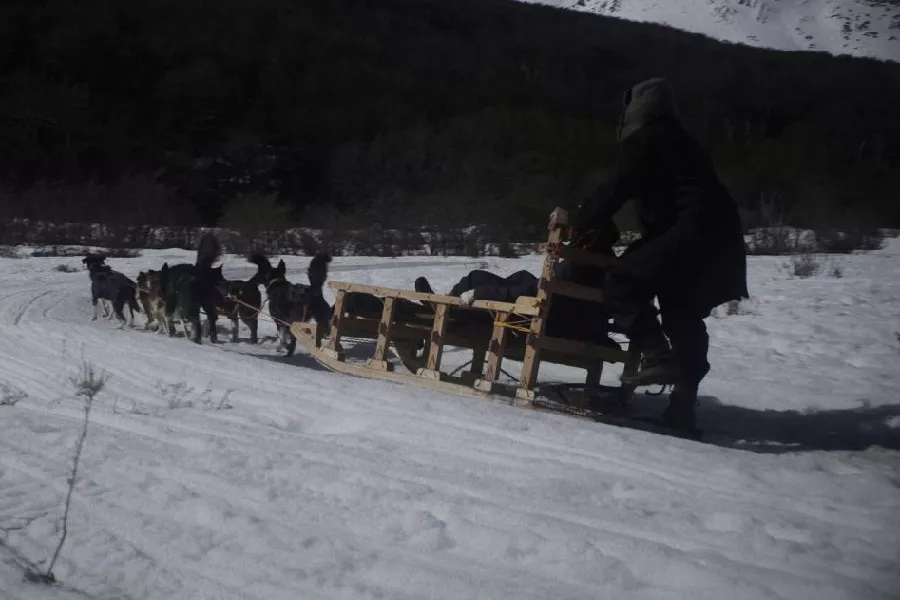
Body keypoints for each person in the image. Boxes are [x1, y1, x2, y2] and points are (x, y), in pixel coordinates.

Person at [553, 76, 749, 433]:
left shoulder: (648, 139)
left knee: (621, 282)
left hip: (688, 232)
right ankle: (682, 411)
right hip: (719, 238)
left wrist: (578, 218)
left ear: (636, 110)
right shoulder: (683, 141)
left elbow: (615, 188)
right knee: (682, 315)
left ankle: (658, 357)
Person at [414, 217, 621, 347]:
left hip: (548, 323)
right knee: (501, 278)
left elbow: (535, 292)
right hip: (568, 320)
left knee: (478, 283)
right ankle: (446, 307)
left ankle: (445, 310)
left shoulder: (579, 264)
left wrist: (482, 292)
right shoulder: (606, 263)